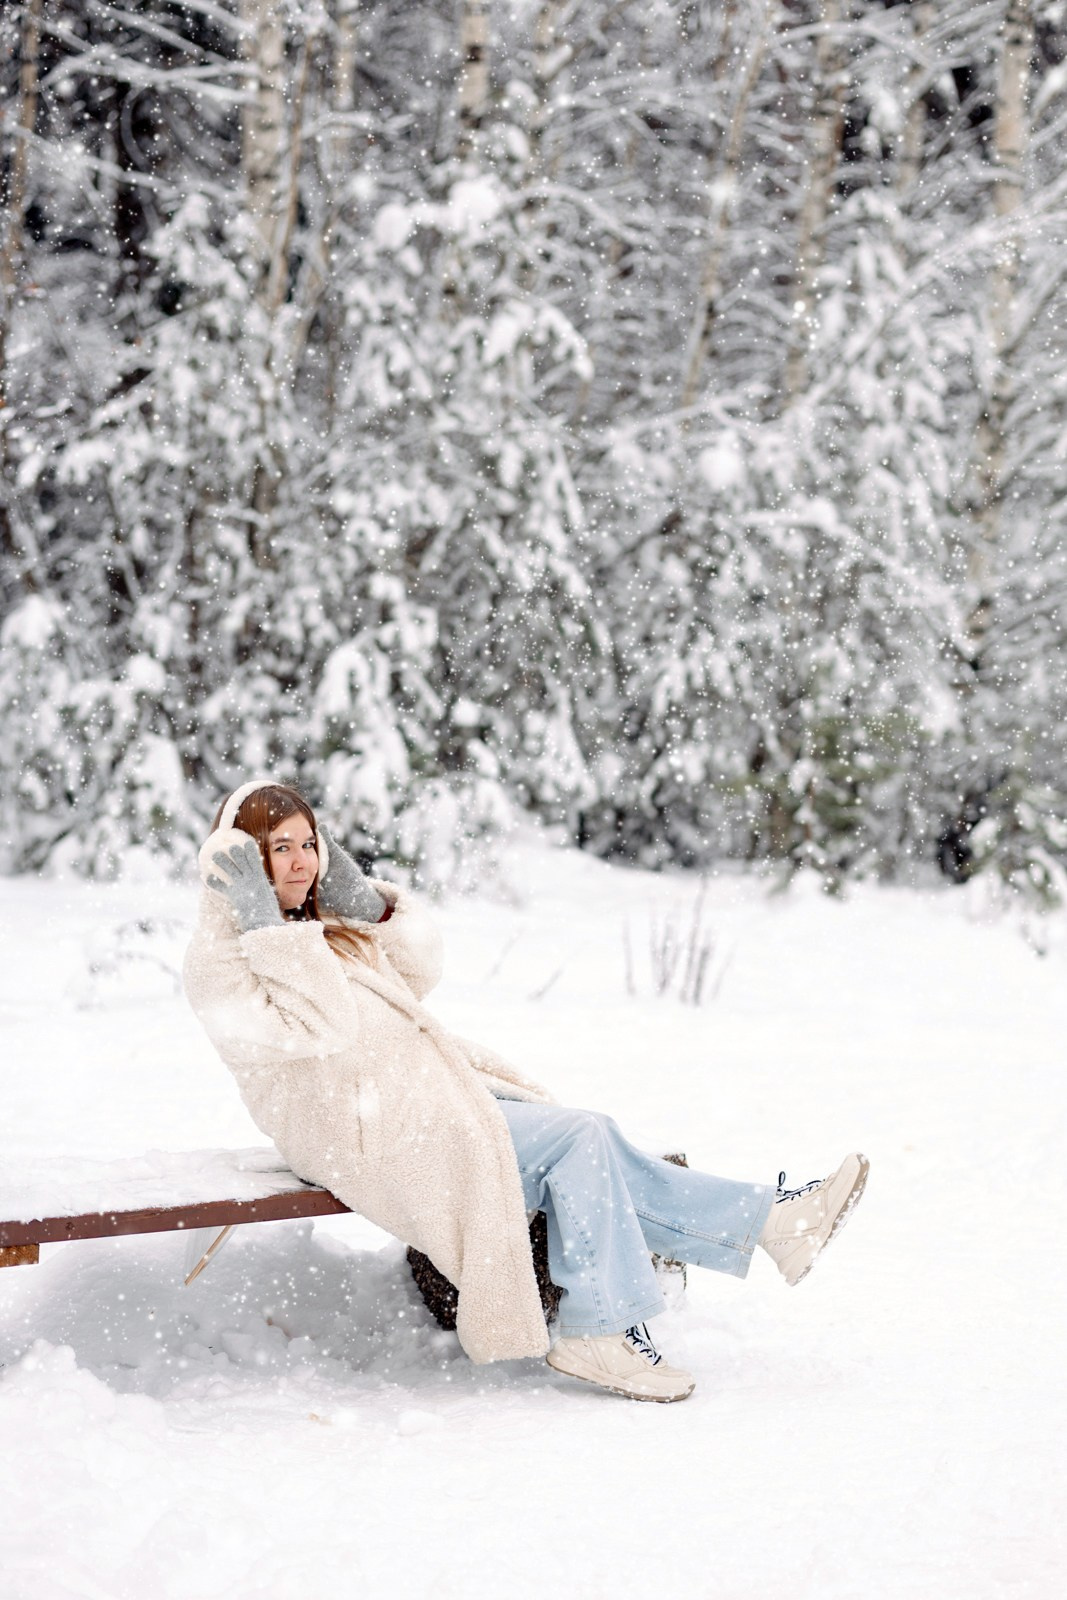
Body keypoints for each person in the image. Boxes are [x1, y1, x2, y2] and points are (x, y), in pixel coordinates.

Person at [183, 778, 869, 1404]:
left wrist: (370, 909)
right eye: (280, 848)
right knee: (579, 1138)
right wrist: (266, 933)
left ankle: (761, 1232)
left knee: (587, 1139)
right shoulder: (221, 964)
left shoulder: (317, 934)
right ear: (239, 858)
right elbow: (317, 1029)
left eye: (310, 844)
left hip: (418, 1106)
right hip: (357, 1136)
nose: (303, 862)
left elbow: (418, 973)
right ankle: (614, 1320)